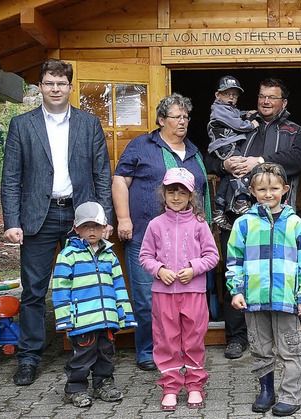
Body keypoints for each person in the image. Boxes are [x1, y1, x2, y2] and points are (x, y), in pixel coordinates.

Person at [1, 58, 113, 386]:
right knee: (35, 290)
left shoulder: (88, 123)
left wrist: (102, 216)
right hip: (40, 215)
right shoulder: (22, 125)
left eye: (61, 83)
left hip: (82, 215)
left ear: (70, 87)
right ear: (40, 87)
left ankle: (86, 352)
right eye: (49, 83)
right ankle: (29, 356)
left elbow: (101, 173)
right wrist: (12, 221)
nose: (55, 89)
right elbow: (11, 177)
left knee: (85, 285)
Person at [205, 77, 301, 359]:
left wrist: (259, 161)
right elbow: (210, 159)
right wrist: (223, 164)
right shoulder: (237, 123)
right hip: (238, 217)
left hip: (280, 219)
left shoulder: (295, 131)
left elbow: (300, 159)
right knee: (236, 272)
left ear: (283, 102)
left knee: (285, 274)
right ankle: (237, 337)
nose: (265, 101)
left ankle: (291, 334)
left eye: (272, 97)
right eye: (262, 96)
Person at [112, 93, 211, 371]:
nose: (183, 122)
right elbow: (120, 180)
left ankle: (180, 349)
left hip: (187, 239)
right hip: (147, 234)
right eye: (177, 117)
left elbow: (199, 190)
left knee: (183, 299)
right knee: (148, 298)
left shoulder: (192, 149)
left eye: (186, 117)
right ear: (161, 120)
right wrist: (123, 218)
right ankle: (147, 349)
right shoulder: (141, 146)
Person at [226, 163, 301, 417]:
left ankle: (290, 395)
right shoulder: (244, 224)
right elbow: (234, 261)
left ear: (284, 190)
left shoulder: (296, 224)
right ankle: (266, 391)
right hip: (254, 299)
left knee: (290, 348)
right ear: (252, 191)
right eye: (262, 189)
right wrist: (237, 290)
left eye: (274, 188)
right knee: (260, 347)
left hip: (286, 298)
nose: (268, 194)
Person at [139, 168, 219, 411]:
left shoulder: (199, 224)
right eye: (171, 191)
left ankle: (195, 385)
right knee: (166, 340)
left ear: (190, 196)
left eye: (181, 192)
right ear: (163, 194)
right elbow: (145, 256)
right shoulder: (155, 224)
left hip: (193, 292)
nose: (176, 197)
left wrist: (194, 269)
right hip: (163, 294)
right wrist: (160, 270)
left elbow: (212, 255)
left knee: (194, 339)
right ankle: (171, 386)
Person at [52, 202, 137, 408]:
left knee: (105, 354)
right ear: (77, 228)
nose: (91, 231)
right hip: (82, 320)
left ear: (104, 227)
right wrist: (64, 319)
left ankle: (103, 384)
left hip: (107, 318)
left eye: (96, 226)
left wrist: (125, 313)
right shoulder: (68, 255)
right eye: (86, 226)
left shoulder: (110, 255)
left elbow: (119, 286)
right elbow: (60, 288)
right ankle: (75, 388)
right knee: (82, 356)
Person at [207, 75, 260, 229]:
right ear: (218, 95)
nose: (231, 97)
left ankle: (218, 209)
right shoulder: (218, 109)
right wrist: (251, 124)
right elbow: (235, 123)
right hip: (224, 145)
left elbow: (235, 115)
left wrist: (245, 113)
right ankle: (241, 200)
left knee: (228, 176)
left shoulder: (227, 108)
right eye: (227, 94)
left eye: (234, 95)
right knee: (240, 167)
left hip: (226, 144)